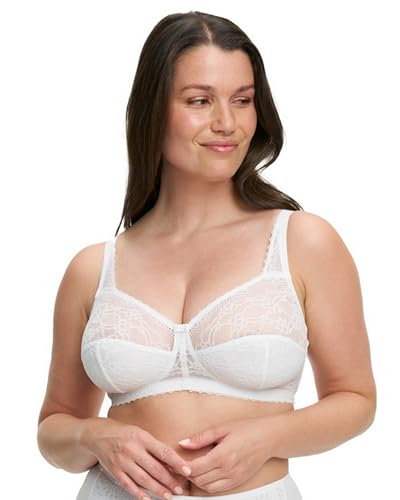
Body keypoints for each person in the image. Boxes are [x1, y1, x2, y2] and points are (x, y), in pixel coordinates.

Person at [37, 10, 377, 500]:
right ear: (153, 110)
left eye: (243, 100)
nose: (227, 123)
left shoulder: (302, 241)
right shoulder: (93, 269)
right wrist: (95, 436)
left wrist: (267, 438)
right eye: (200, 101)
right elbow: (54, 430)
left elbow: (356, 400)